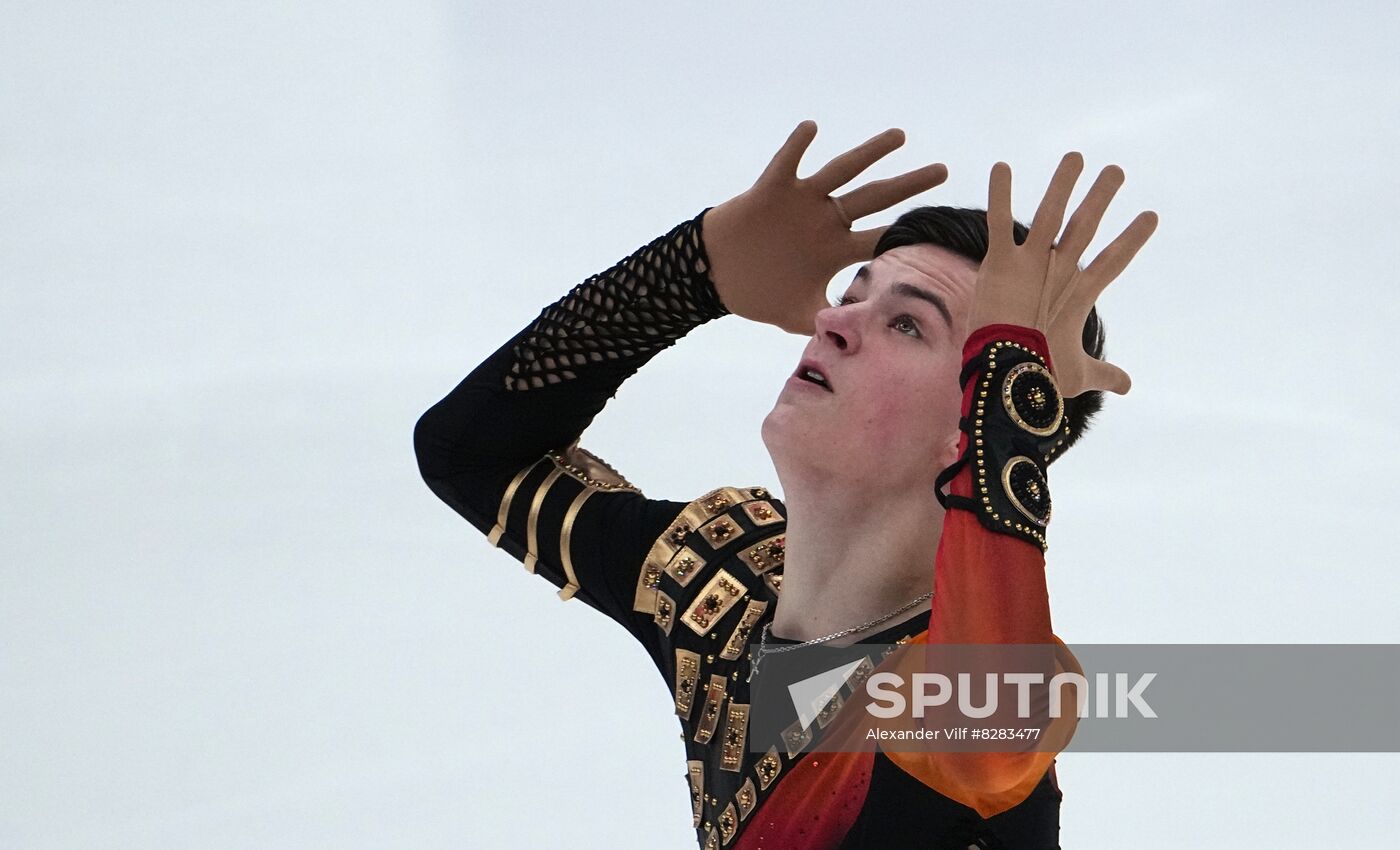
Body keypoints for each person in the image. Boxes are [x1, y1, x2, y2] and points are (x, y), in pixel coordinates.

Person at [413, 121, 1157, 849]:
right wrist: (687, 274)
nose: (836, 319)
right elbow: (470, 456)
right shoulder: (717, 578)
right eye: (857, 292)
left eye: (908, 326)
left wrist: (1007, 391)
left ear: (969, 427)